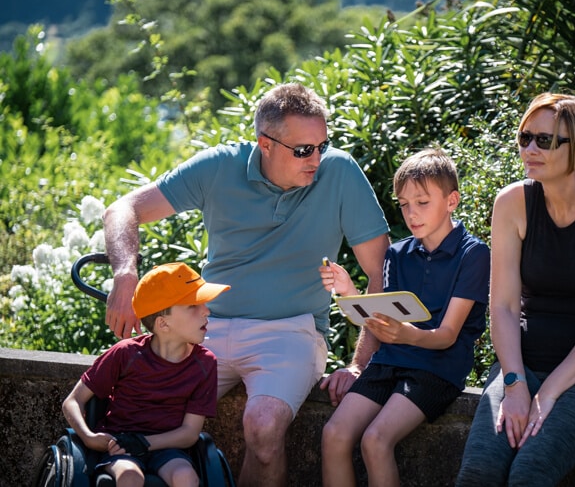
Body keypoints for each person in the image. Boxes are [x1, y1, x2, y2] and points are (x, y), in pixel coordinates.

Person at [102, 82, 390, 487]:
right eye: (303, 150)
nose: (317, 159)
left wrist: (360, 362)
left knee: (263, 426)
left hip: (292, 331)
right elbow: (123, 208)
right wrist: (124, 274)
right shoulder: (220, 167)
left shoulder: (339, 172)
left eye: (322, 145)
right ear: (265, 144)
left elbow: (383, 271)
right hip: (205, 328)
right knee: (139, 414)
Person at [455, 93, 575, 486]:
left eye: (545, 140)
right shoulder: (512, 202)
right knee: (479, 472)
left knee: (530, 474)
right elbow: (503, 306)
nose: (530, 149)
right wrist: (514, 383)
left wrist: (549, 393)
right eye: (525, 137)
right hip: (523, 363)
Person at [319, 148, 491, 487]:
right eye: (404, 204)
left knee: (375, 440)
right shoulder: (397, 253)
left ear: (452, 200)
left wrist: (405, 335)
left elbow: (447, 335)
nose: (412, 214)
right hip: (390, 361)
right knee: (334, 435)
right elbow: (380, 322)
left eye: (422, 202)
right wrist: (350, 293)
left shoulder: (474, 254)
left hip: (438, 367)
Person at [62, 262, 230, 487]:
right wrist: (89, 438)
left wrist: (143, 443)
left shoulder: (205, 363)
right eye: (193, 306)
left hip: (168, 448)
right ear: (163, 323)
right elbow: (73, 401)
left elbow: (190, 433)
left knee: (186, 478)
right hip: (119, 447)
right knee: (130, 477)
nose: (206, 310)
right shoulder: (126, 354)